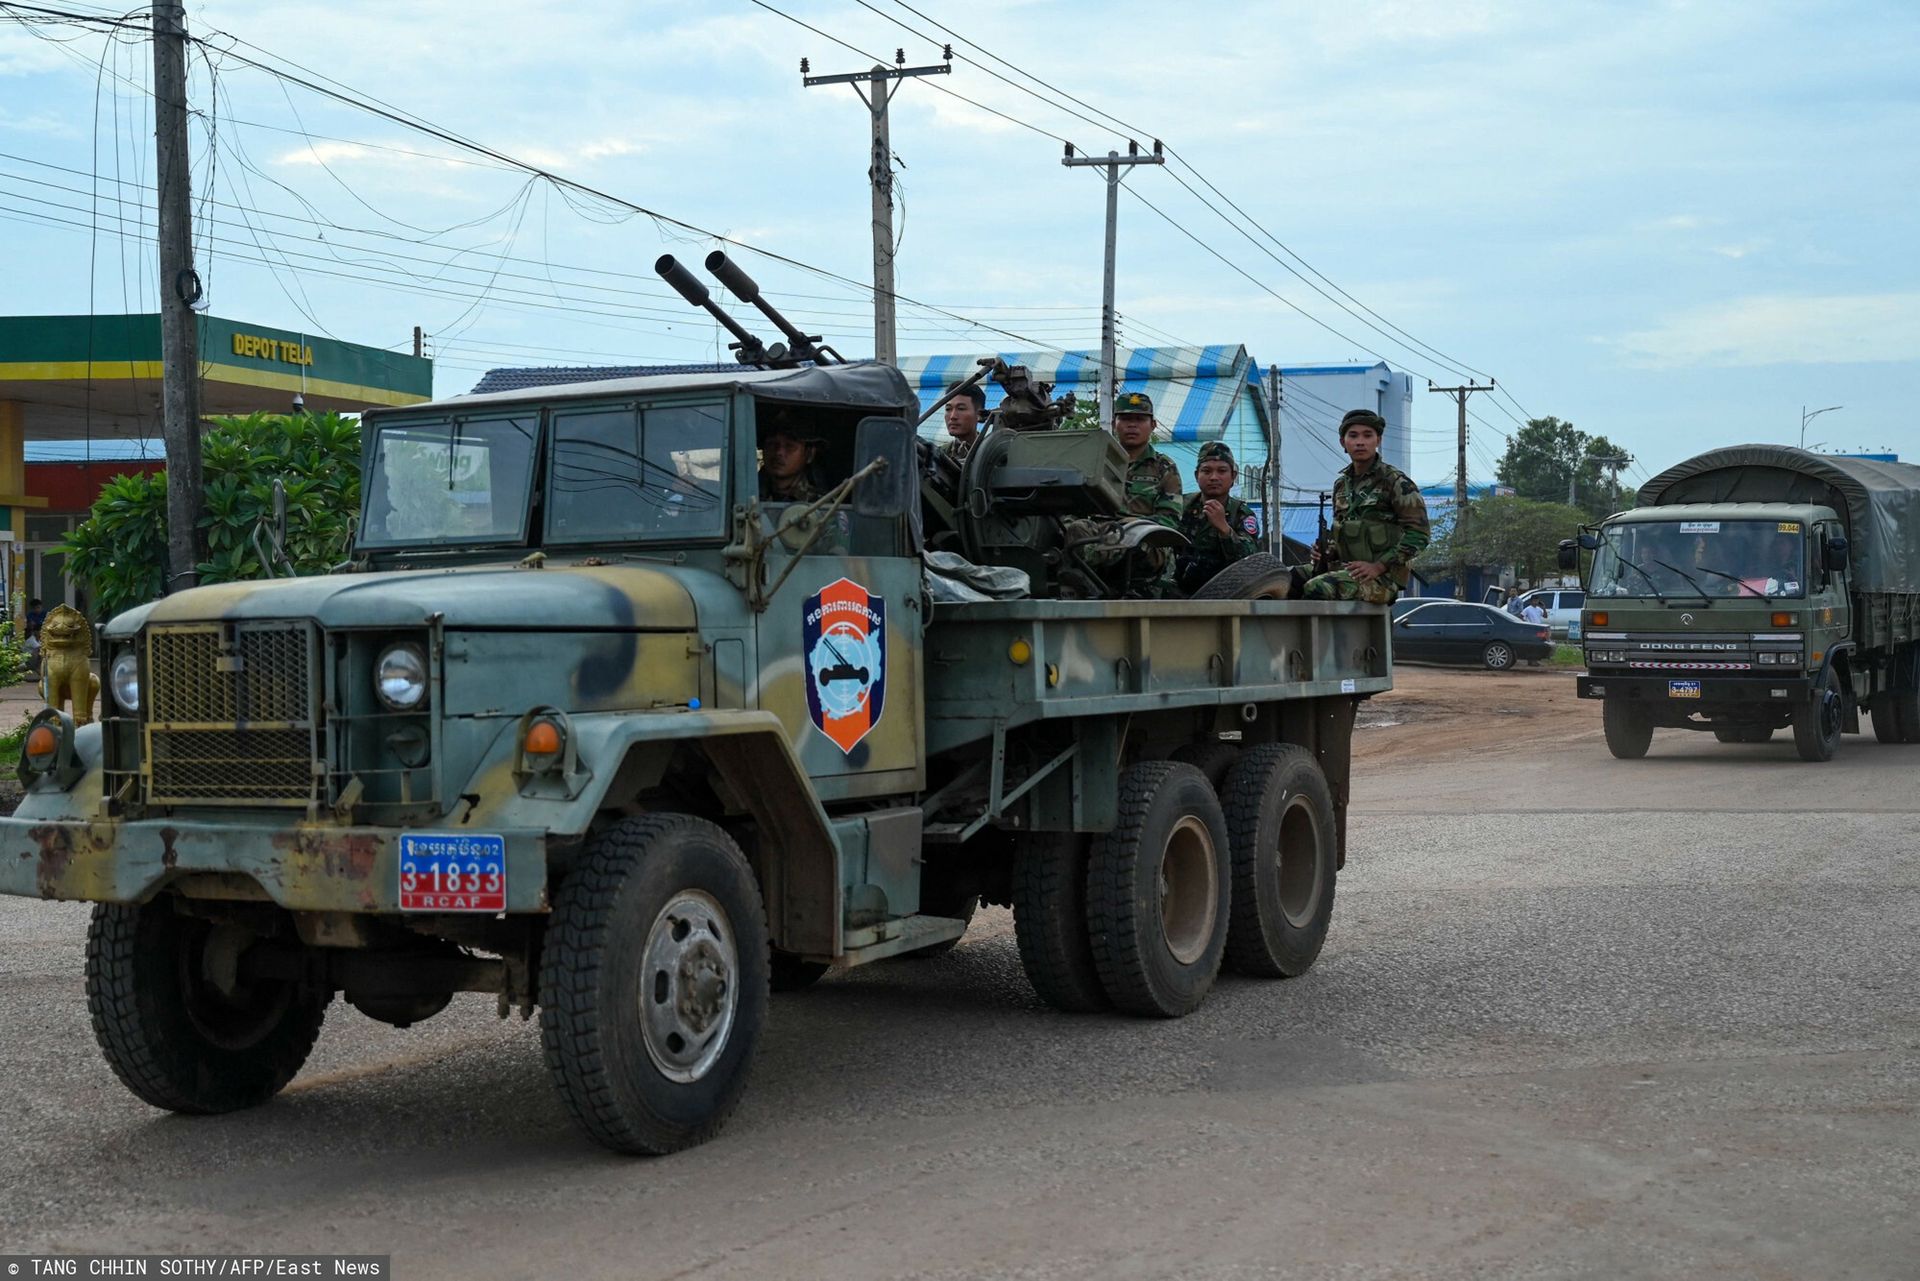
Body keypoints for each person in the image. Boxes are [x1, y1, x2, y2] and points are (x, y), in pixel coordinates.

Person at [1301, 408, 1430, 604]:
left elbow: (1419, 535)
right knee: (1282, 578)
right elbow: (1344, 532)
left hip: (1381, 580)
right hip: (1345, 571)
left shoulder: (1396, 483)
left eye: (1367, 435)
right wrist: (1328, 551)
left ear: (1377, 440)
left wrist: (1378, 566)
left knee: (1317, 587)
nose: (1360, 442)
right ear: (1343, 442)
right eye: (1353, 436)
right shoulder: (1341, 485)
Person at [1063, 390, 1184, 597]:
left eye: (1140, 419)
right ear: (1114, 423)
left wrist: (1130, 524)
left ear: (1152, 425)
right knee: (1073, 528)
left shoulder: (1164, 467)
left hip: (1145, 542)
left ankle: (1088, 579)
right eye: (1126, 418)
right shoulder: (1096, 462)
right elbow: (1074, 505)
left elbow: (1170, 520)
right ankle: (1085, 582)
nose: (1132, 425)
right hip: (1097, 533)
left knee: (1131, 542)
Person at [1176, 441, 1261, 593]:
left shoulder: (1241, 513)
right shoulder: (1182, 505)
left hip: (1224, 591)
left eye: (1222, 471)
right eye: (1207, 471)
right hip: (1178, 588)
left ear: (1233, 476)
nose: (1214, 477)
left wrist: (1224, 530)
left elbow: (1250, 560)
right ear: (1197, 475)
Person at [758, 420, 823, 504]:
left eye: (790, 446)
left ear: (809, 454)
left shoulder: (821, 504)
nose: (779, 452)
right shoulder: (745, 493)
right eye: (771, 444)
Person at [939, 383, 987, 463]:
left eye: (961, 409)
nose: (952, 416)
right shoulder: (940, 454)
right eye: (948, 409)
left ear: (979, 414)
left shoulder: (993, 453)